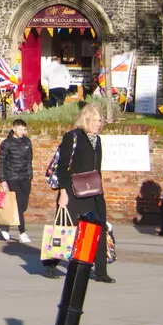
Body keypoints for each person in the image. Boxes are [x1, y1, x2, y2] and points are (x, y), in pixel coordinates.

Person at [50, 102, 115, 283]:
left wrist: (100, 191)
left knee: (99, 227)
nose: (98, 124)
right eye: (95, 120)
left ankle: (101, 271)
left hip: (94, 190)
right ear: (86, 120)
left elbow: (97, 167)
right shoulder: (72, 137)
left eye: (100, 120)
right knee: (65, 228)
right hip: (72, 189)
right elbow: (63, 167)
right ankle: (51, 263)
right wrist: (63, 192)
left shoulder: (98, 140)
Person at [0, 118, 34, 244]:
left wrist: (30, 174)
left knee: (22, 206)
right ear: (14, 128)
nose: (22, 131)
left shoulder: (27, 141)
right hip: (12, 177)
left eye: (24, 129)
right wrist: (3, 180)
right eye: (20, 129)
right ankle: (22, 232)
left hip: (25, 178)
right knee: (17, 205)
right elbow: (0, 162)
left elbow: (29, 160)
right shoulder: (6, 143)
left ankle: (5, 225)